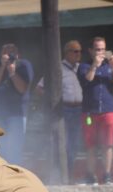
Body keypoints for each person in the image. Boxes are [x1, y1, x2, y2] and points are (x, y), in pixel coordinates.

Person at [35, 40, 84, 183]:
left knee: (74, 145)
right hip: (64, 110)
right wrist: (54, 100)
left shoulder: (81, 69)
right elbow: (39, 88)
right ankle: (61, 175)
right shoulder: (58, 69)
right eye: (75, 51)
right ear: (66, 52)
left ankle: (68, 175)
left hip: (79, 110)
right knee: (63, 144)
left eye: (80, 51)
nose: (78, 54)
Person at [78, 36, 113, 185]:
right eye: (97, 49)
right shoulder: (84, 66)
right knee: (90, 145)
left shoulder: (109, 66)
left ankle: (107, 175)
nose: (101, 52)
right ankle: (90, 175)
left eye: (103, 49)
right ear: (90, 51)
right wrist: (95, 65)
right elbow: (87, 80)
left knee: (107, 144)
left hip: (108, 110)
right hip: (89, 111)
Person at [0, 43, 33, 166]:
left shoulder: (23, 65)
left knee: (15, 147)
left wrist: (12, 72)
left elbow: (22, 89)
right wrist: (3, 67)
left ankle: (14, 173)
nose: (8, 56)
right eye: (5, 53)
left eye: (11, 53)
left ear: (17, 54)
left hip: (17, 114)